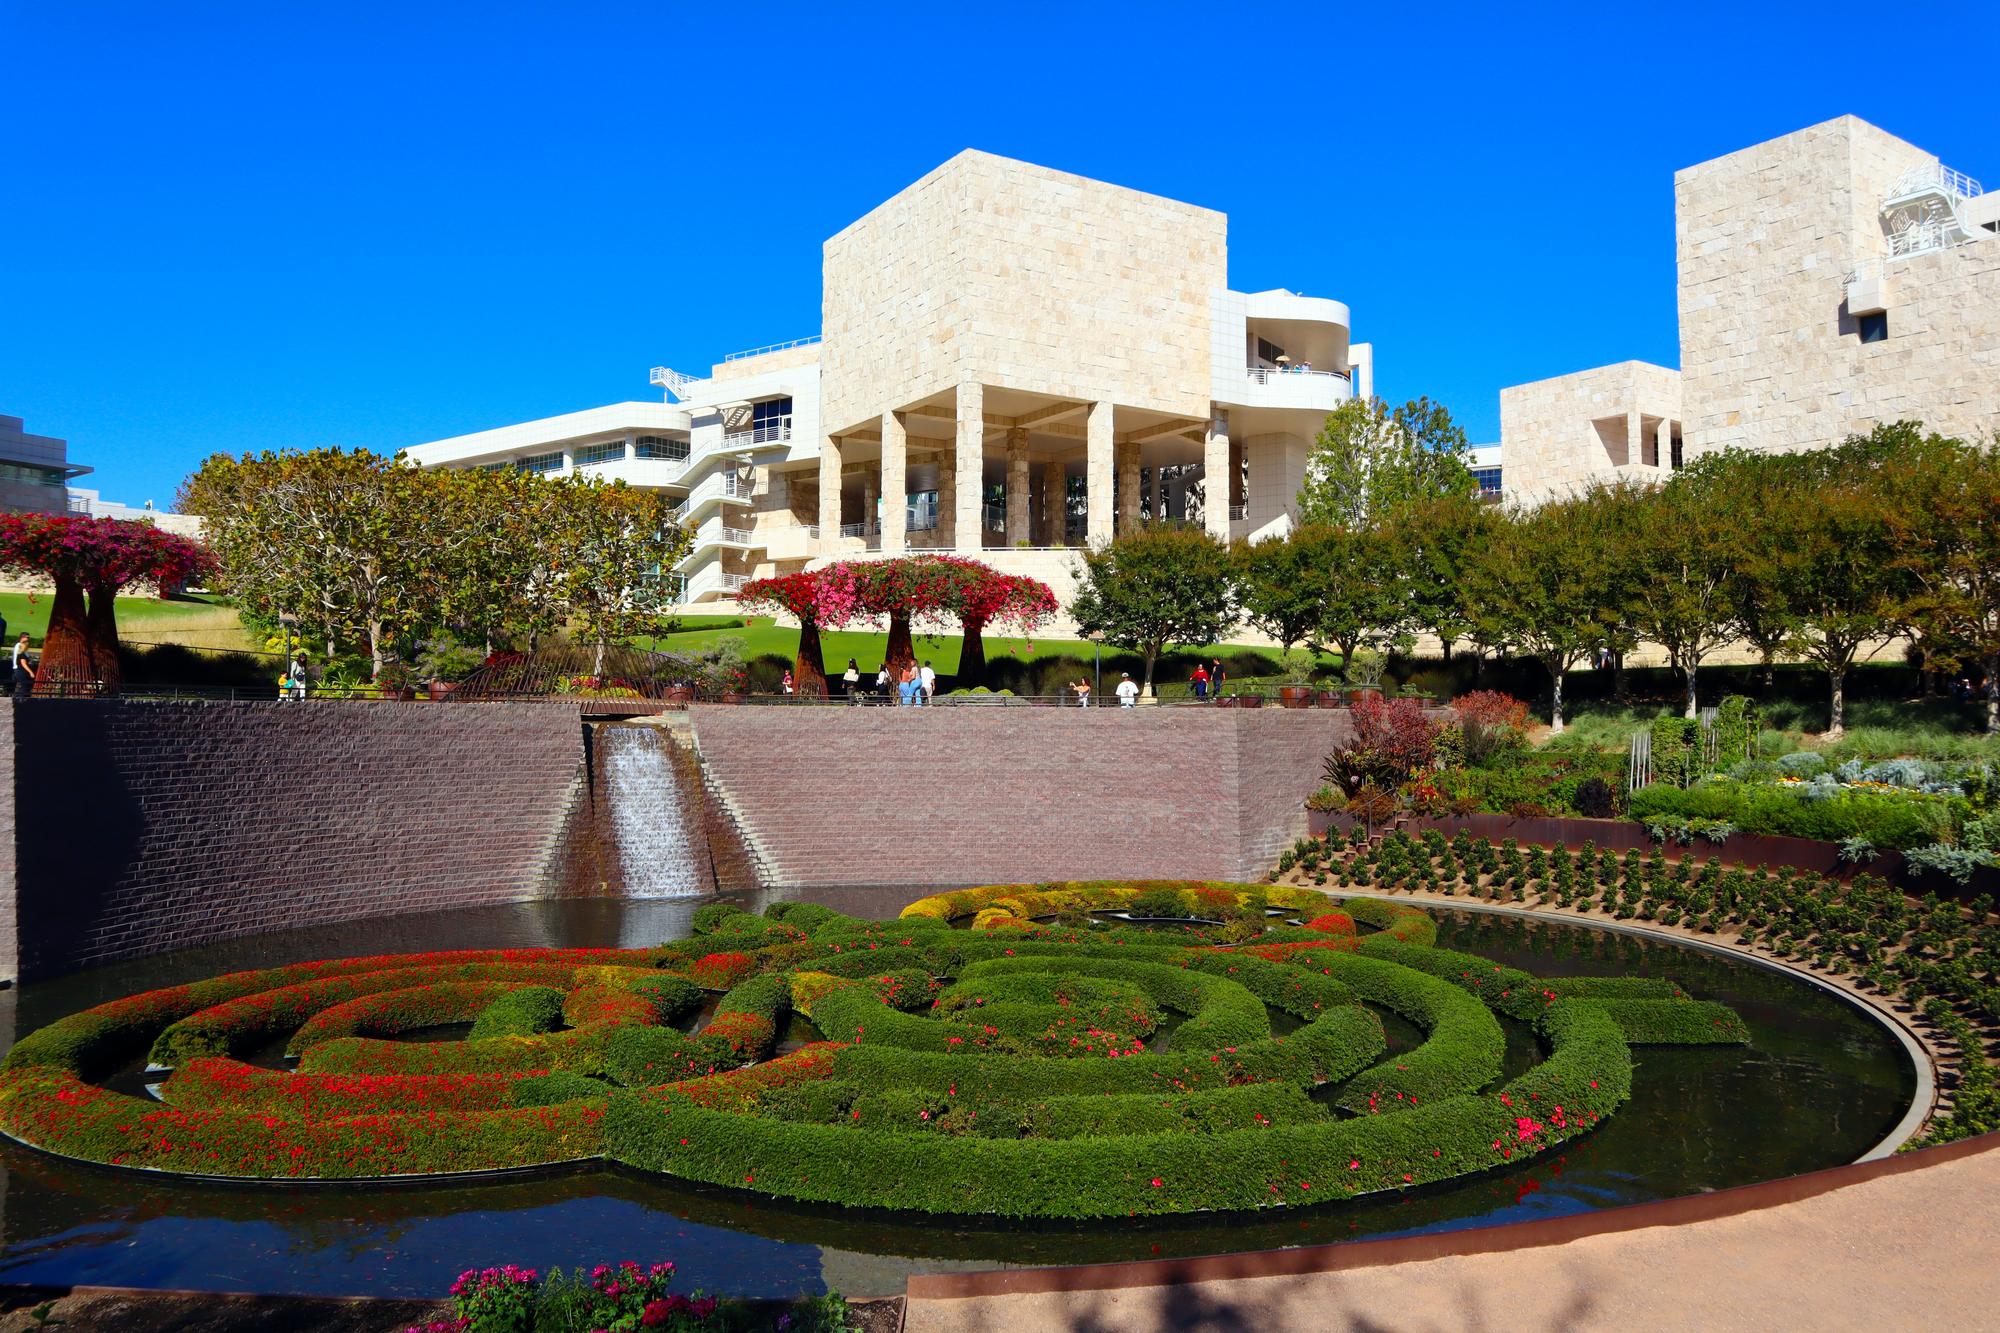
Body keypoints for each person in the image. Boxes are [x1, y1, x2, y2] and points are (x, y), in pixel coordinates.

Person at [11, 633, 34, 701]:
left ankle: (20, 699)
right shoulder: (20, 648)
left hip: (18, 668)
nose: (28, 639)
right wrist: (31, 672)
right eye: (27, 637)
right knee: (24, 686)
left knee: (23, 686)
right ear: (22, 637)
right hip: (19, 669)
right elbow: (23, 663)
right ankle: (21, 700)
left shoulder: (22, 651)